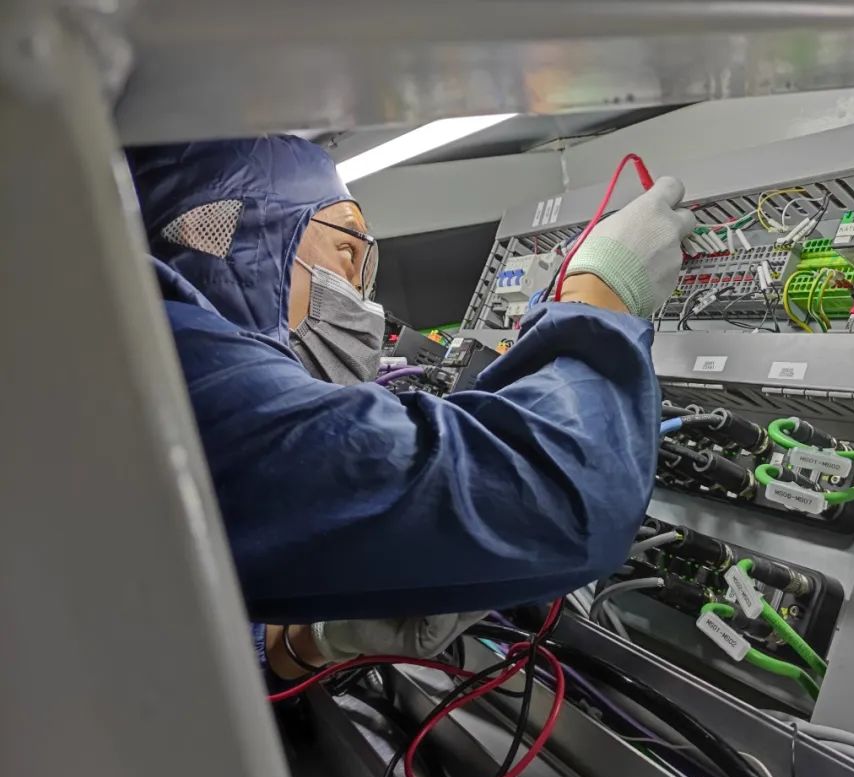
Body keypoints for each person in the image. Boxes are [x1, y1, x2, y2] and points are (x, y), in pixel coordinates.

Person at [126, 136, 695, 680]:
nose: (360, 298)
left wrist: (307, 641)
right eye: (347, 252)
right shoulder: (174, 369)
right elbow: (565, 498)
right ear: (232, 240)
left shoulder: (133, 350)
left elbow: (171, 642)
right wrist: (601, 294)